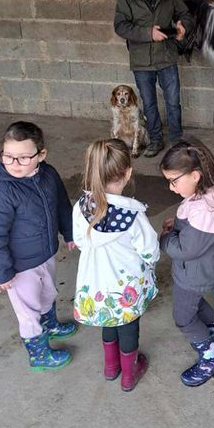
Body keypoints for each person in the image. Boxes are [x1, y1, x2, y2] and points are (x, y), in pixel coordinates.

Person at [0, 121, 77, 371]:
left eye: (24, 158)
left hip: (45, 253)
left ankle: (51, 325)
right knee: (28, 311)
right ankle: (38, 353)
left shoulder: (48, 175)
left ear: (41, 155)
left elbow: (61, 205)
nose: (14, 164)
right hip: (19, 266)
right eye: (9, 156)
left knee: (47, 293)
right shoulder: (2, 191)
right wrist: (1, 272)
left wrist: (69, 232)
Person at [72, 139, 159, 391]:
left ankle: (111, 367)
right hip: (126, 286)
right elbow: (150, 250)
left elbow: (79, 241)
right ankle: (129, 373)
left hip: (96, 281)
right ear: (128, 172)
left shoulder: (81, 207)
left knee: (108, 322)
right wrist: (151, 262)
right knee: (128, 325)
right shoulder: (133, 216)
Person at [159, 141, 214, 386]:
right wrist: (177, 226)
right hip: (210, 267)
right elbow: (194, 232)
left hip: (194, 273)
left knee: (184, 318)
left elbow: (186, 248)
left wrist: (166, 238)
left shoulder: (205, 210)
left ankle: (209, 357)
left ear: (195, 175)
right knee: (193, 305)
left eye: (174, 181)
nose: (171, 187)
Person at [113, 0, 193, 157]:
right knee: (149, 104)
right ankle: (155, 140)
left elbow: (185, 14)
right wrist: (149, 33)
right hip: (141, 60)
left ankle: (176, 139)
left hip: (166, 56)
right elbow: (120, 26)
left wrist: (184, 26)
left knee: (173, 102)